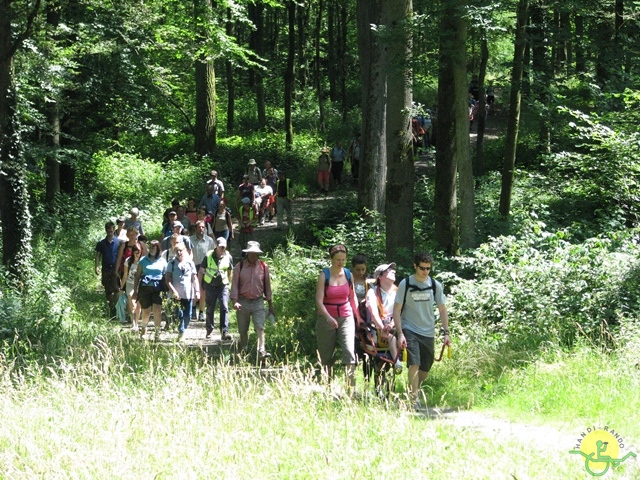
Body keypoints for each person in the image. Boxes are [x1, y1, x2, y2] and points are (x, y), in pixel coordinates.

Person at [393, 252, 451, 410]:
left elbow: (442, 310)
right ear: (415, 266)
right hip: (409, 328)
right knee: (414, 363)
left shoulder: (434, 285)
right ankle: (414, 399)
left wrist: (446, 333)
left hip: (428, 331)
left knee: (425, 369)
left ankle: (412, 390)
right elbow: (396, 310)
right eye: (422, 268)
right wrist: (400, 334)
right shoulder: (405, 284)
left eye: (428, 269)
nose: (425, 271)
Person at [315, 244, 359, 389]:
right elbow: (318, 301)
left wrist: (358, 316)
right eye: (337, 260)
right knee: (326, 355)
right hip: (327, 318)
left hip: (346, 316)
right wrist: (328, 317)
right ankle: (327, 388)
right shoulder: (324, 275)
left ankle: (350, 389)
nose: (340, 263)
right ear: (331, 259)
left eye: (343, 260)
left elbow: (352, 297)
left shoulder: (348, 274)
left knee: (349, 351)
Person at [230, 241, 274, 359]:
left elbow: (267, 287)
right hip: (242, 301)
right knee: (243, 330)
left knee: (260, 327)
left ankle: (262, 351)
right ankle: (244, 349)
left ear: (258, 254)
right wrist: (235, 301)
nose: (253, 255)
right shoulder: (240, 266)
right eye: (251, 253)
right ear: (247, 253)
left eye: (255, 253)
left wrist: (270, 305)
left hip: (258, 301)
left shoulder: (263, 267)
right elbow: (234, 285)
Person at [366, 263, 402, 372]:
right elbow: (373, 314)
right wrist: (382, 328)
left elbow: (401, 312)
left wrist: (391, 324)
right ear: (380, 277)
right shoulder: (372, 292)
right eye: (389, 270)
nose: (394, 271)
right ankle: (397, 363)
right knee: (391, 337)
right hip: (377, 327)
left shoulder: (398, 291)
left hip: (395, 323)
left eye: (393, 270)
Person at [199, 237, 234, 341]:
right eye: (220, 246)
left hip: (223, 285)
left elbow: (230, 271)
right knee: (210, 308)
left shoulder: (228, 256)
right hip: (210, 285)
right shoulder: (208, 255)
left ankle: (225, 332)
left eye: (224, 246)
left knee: (224, 306)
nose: (222, 248)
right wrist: (199, 286)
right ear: (216, 245)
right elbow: (201, 270)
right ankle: (209, 330)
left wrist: (229, 284)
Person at [133, 240, 168, 341]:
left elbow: (166, 276)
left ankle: (157, 333)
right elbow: (137, 276)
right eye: (151, 247)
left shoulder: (162, 261)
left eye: (154, 247)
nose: (152, 248)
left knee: (157, 310)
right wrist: (135, 291)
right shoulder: (143, 260)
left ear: (158, 249)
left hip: (158, 288)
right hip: (145, 288)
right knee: (146, 311)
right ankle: (144, 328)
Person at [165, 244, 199, 341]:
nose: (179, 253)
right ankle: (181, 332)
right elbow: (167, 280)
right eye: (177, 251)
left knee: (188, 315)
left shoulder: (190, 263)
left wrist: (197, 291)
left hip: (188, 294)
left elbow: (194, 278)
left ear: (185, 250)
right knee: (178, 314)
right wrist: (174, 291)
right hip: (175, 295)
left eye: (181, 250)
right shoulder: (171, 264)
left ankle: (183, 329)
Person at [95, 221, 122, 318]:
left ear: (114, 229)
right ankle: (111, 307)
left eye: (111, 231)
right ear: (106, 231)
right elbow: (98, 255)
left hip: (116, 269)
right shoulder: (101, 243)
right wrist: (96, 266)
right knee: (108, 290)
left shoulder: (119, 242)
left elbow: (122, 255)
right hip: (106, 269)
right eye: (108, 231)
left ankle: (115, 307)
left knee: (116, 289)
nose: (110, 233)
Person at [190, 220, 215, 321]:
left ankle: (201, 312)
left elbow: (213, 255)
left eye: (203, 227)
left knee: (203, 290)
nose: (201, 229)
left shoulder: (209, 241)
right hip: (193, 267)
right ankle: (193, 310)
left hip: (205, 268)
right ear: (195, 228)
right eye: (199, 227)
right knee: (193, 289)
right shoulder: (189, 240)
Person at [121, 245, 142, 332]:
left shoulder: (143, 261)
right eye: (136, 251)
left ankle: (136, 323)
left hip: (140, 284)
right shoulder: (128, 261)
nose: (137, 253)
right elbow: (125, 275)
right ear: (133, 252)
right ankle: (133, 323)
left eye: (139, 251)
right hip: (130, 284)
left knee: (138, 305)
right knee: (132, 304)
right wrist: (121, 287)